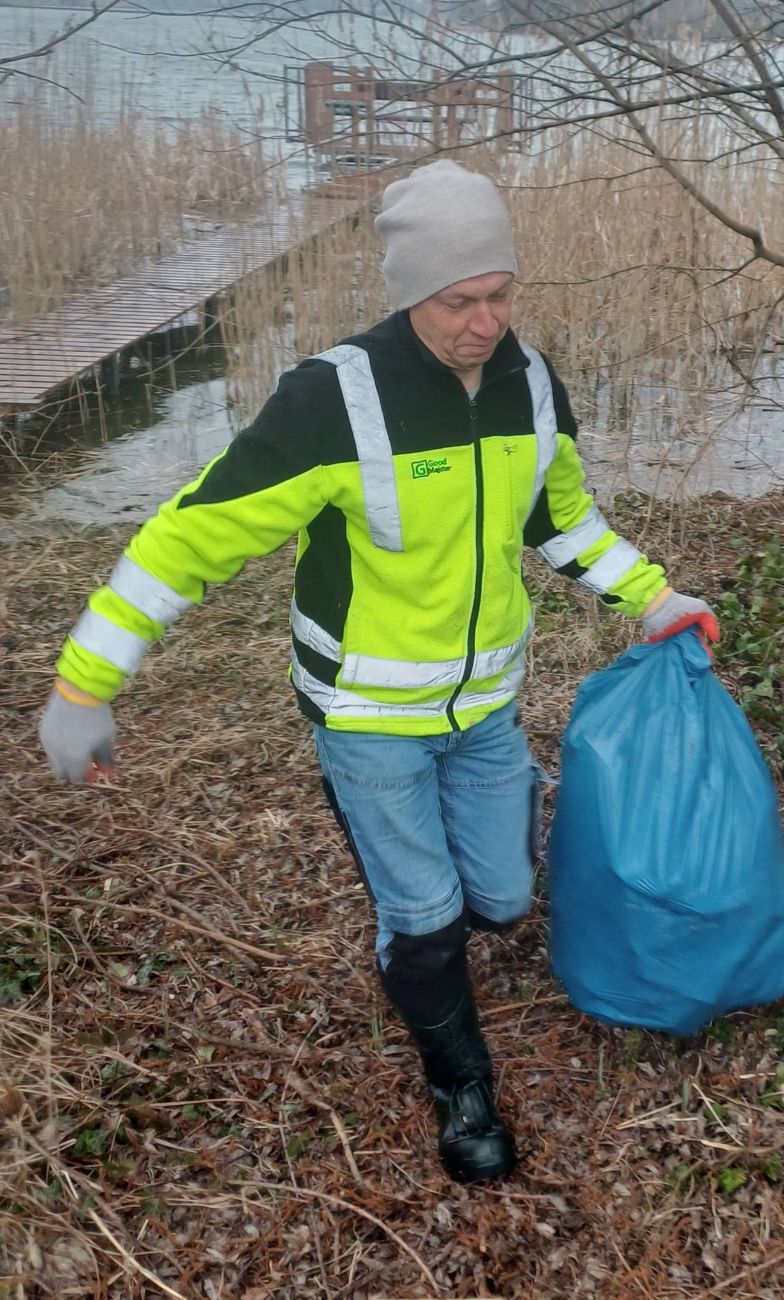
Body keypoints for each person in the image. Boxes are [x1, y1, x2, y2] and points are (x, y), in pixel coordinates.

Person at [39, 160, 719, 1185]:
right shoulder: (333, 402)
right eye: (460, 302)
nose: (486, 323)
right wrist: (85, 685)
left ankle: (420, 942)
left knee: (500, 901)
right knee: (429, 917)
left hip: (484, 710)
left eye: (501, 295)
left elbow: (560, 517)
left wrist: (654, 599)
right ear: (411, 292)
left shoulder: (532, 384)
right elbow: (187, 544)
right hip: (364, 716)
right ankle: (461, 1083)